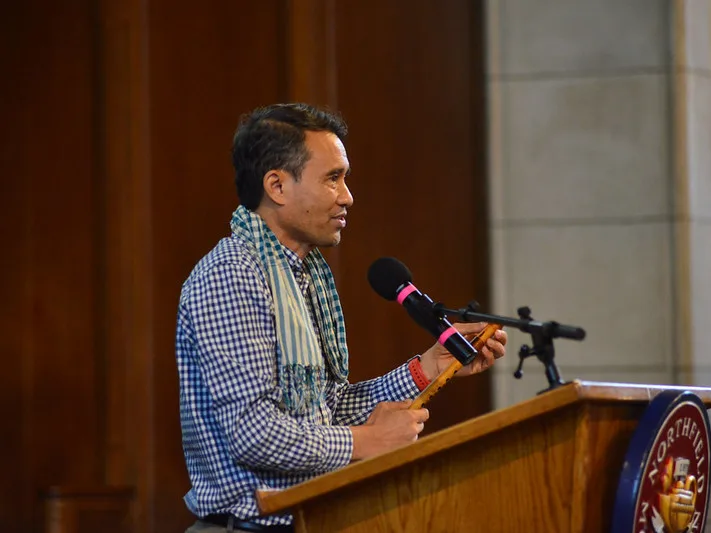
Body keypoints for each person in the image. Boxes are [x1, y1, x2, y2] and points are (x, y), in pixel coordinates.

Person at [176, 103, 507, 533]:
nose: (348, 196)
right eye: (333, 178)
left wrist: (428, 369)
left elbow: (326, 411)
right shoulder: (232, 274)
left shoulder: (303, 277)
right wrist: (367, 441)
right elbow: (252, 431)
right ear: (277, 185)